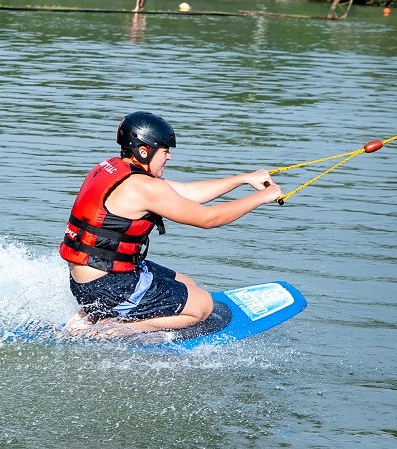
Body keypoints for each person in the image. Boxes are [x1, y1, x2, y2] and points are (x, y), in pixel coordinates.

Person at [60, 111, 283, 336]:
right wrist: (260, 198)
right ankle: (112, 330)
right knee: (203, 306)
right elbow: (208, 219)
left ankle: (91, 315)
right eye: (165, 151)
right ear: (144, 151)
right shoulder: (145, 187)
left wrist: (244, 179)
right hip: (108, 285)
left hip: (89, 282)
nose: (169, 157)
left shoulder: (114, 169)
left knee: (190, 286)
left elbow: (189, 192)